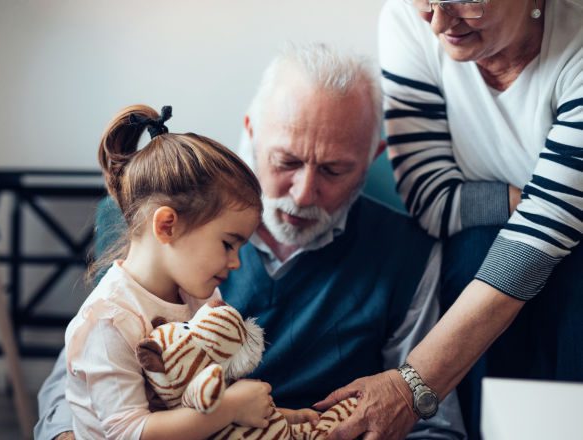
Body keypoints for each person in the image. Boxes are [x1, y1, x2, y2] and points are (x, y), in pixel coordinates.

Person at [34, 44, 467, 440]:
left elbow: (432, 420)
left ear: (369, 161)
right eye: (286, 161)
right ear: (252, 134)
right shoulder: (166, 223)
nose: (302, 193)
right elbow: (78, 382)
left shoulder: (406, 252)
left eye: (334, 170)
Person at [316, 1, 583, 439]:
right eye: (427, 1)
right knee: (476, 246)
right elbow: (432, 197)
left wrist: (411, 387)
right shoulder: (407, 22)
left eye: (467, 2)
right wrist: (531, 203)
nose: (439, 23)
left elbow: (543, 240)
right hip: (486, 253)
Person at [63, 103, 288, 439]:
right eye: (228, 244)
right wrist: (230, 408)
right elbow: (128, 432)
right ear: (167, 225)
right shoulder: (110, 321)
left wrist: (282, 418)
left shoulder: (200, 297)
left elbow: (205, 394)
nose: (236, 262)